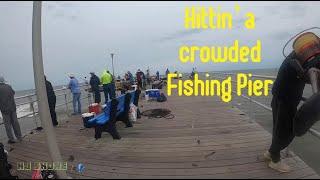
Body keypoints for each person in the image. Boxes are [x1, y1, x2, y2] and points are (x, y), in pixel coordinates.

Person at [263, 50, 320, 172]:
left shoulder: (297, 54)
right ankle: (275, 160)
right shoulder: (302, 59)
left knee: (278, 128)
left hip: (279, 96)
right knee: (286, 132)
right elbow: (305, 74)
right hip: (286, 99)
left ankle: (270, 153)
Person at [0, 76, 22, 144]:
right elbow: (13, 93)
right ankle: (19, 137)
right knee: (15, 123)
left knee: (8, 125)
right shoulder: (9, 86)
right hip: (12, 108)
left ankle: (11, 139)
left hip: (4, 110)